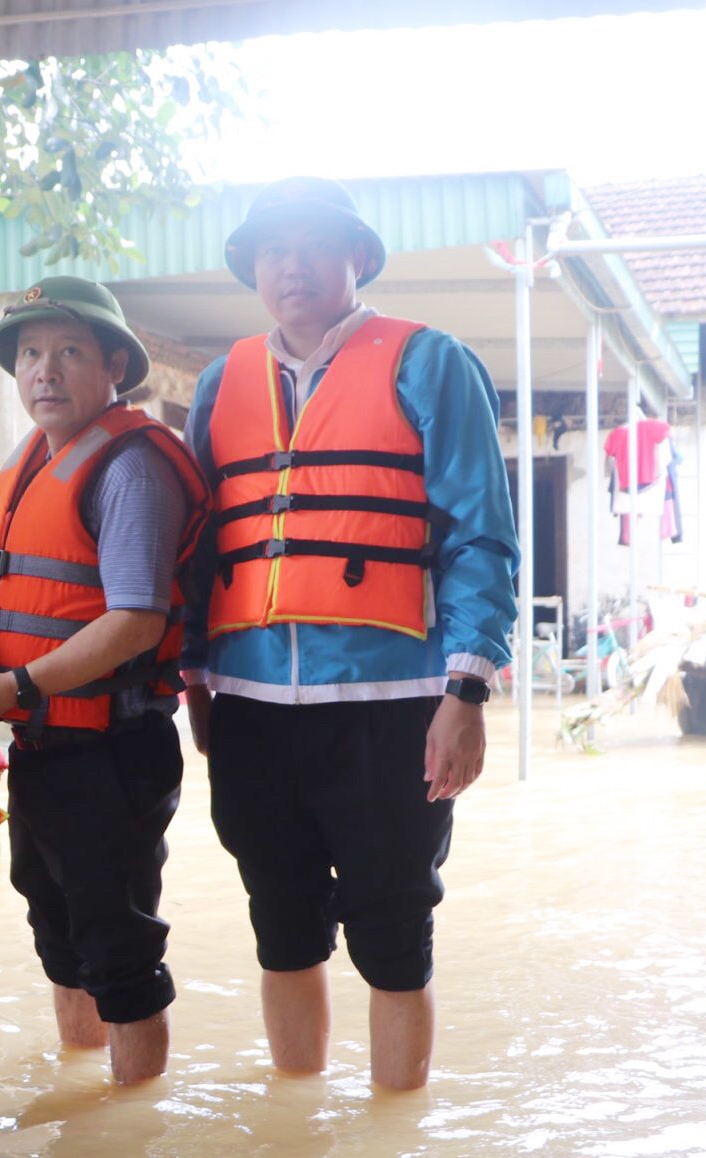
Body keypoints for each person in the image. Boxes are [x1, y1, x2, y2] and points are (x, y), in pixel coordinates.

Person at [180, 177, 517, 1090]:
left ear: (355, 259)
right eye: (270, 251)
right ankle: (300, 1139)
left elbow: (482, 535)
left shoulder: (429, 361)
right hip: (251, 703)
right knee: (280, 925)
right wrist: (196, 682)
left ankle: (390, 1157)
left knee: (393, 930)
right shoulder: (221, 382)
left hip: (391, 703)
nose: (289, 266)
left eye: (311, 246)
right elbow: (201, 543)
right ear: (252, 268)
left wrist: (466, 692)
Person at [0, 275, 209, 1086]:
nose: (44, 370)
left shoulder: (130, 466)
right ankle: (82, 1092)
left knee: (115, 944)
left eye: (69, 351)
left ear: (114, 363)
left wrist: (7, 691)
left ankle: (125, 1133)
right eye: (30, 354)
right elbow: (20, 586)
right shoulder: (37, 456)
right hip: (46, 738)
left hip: (112, 748)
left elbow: (135, 620)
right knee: (55, 920)